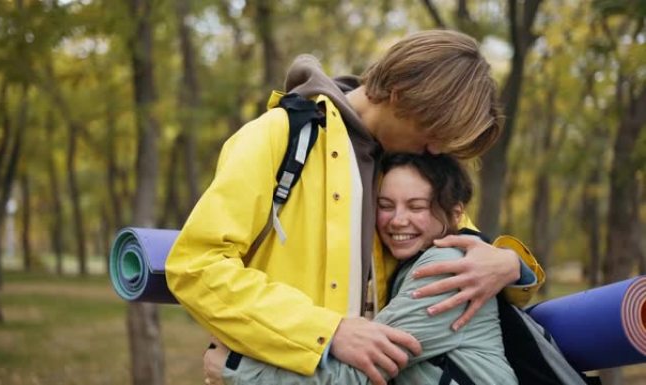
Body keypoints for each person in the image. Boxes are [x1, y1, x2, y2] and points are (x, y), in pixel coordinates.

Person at [165, 29, 543, 385]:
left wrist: (512, 265)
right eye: (432, 137)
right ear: (400, 95)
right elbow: (196, 266)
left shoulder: (406, 165)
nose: (435, 153)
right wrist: (326, 331)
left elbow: (457, 245)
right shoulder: (277, 136)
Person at [205, 152, 518, 385]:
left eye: (416, 206)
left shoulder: (447, 268)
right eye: (385, 206)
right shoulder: (411, 263)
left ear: (455, 213)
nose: (397, 220)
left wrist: (236, 369)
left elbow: (357, 377)